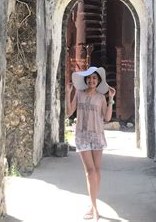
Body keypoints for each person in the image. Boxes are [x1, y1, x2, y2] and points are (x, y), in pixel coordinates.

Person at [66, 66, 116, 221]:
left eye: (94, 78)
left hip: (97, 136)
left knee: (97, 171)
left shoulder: (101, 97)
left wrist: (111, 99)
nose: (91, 80)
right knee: (90, 171)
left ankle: (92, 202)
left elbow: (107, 118)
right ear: (85, 80)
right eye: (89, 78)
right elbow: (69, 112)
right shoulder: (79, 94)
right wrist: (68, 94)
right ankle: (95, 209)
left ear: (98, 81)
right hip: (82, 136)